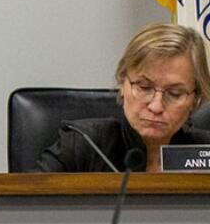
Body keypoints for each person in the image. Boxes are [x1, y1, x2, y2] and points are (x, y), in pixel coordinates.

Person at [33, 23, 210, 172]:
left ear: (195, 100)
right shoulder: (82, 145)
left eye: (175, 94)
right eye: (144, 87)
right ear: (122, 83)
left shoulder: (206, 151)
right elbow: (28, 206)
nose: (156, 107)